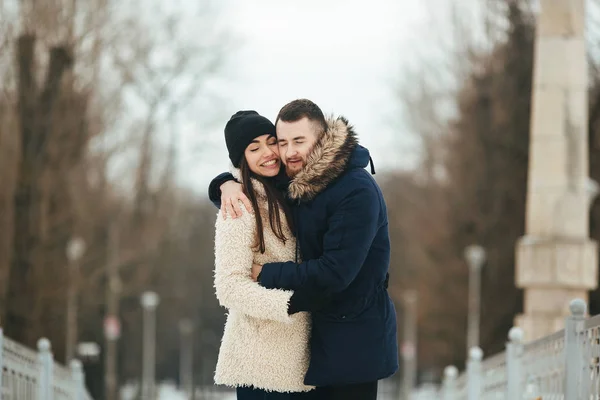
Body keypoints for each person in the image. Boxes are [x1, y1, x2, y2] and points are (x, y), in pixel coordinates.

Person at [209, 99, 399, 400]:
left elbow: (335, 272)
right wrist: (224, 184)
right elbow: (229, 284)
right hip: (276, 353)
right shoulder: (270, 193)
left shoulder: (351, 189)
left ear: (322, 139)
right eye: (282, 142)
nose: (284, 152)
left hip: (351, 342)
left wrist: (268, 275)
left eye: (295, 141)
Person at [212, 110, 316, 399]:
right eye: (254, 148)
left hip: (304, 360)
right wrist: (289, 304)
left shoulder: (294, 194)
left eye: (272, 142)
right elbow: (229, 286)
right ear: (241, 158)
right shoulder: (238, 207)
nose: (268, 153)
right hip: (262, 363)